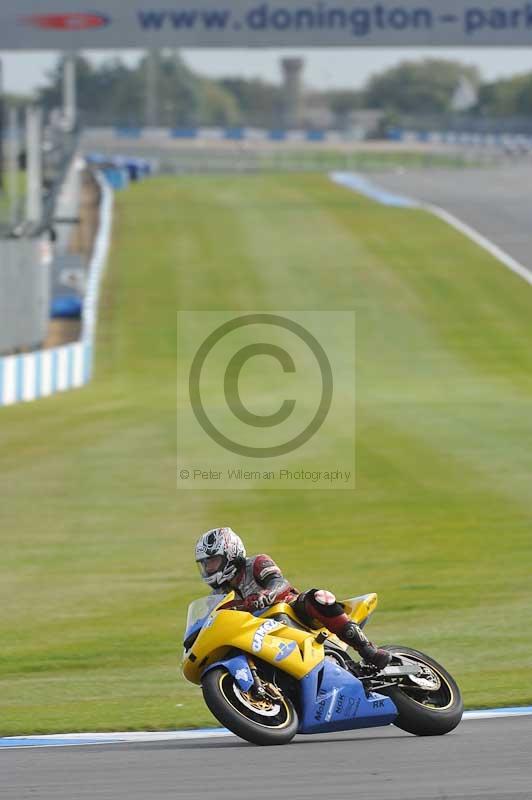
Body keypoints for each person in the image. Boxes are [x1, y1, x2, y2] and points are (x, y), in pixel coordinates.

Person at [195, 526, 391, 670]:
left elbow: (280, 583)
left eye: (213, 561)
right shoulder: (220, 595)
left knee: (319, 597)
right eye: (205, 564)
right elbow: (214, 620)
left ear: (231, 553)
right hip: (256, 632)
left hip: (290, 611)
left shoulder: (256, 563)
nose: (209, 569)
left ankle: (368, 650)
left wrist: (266, 595)